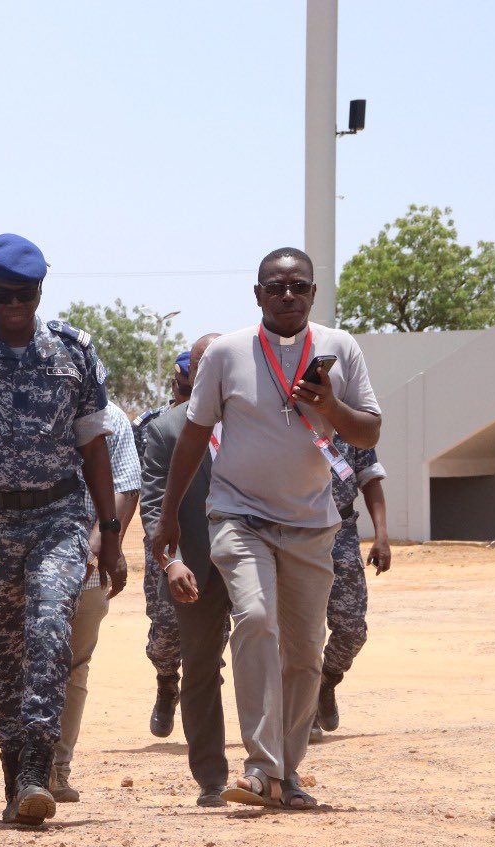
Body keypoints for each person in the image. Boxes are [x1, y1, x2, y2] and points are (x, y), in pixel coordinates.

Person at [153, 246, 381, 810]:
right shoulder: (227, 353)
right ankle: (258, 769)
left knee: (305, 652)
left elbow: (370, 431)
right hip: (240, 515)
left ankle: (287, 771)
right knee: (255, 618)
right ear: (257, 295)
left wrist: (330, 405)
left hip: (311, 523)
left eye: (297, 287)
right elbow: (191, 435)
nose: (287, 295)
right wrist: (167, 520)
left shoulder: (340, 348)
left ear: (312, 294)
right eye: (275, 287)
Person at [0, 233, 125, 827]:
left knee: (48, 627)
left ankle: (39, 764)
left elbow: (94, 448)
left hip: (58, 518)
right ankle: (15, 773)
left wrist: (109, 536)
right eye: (4, 295)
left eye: (26, 295)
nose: (15, 306)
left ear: (41, 291)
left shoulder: (73, 352)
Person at [140, 337, 232, 805]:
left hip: (258, 557)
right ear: (192, 372)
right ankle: (212, 779)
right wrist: (171, 561)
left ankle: (272, 763)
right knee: (200, 667)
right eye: (204, 363)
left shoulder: (255, 421)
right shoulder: (166, 430)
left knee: (269, 652)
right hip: (195, 566)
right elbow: (156, 504)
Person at [50, 399, 141, 802]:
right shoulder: (17, 398)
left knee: (73, 665)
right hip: (19, 557)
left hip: (87, 564)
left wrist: (101, 544)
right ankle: (26, 764)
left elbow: (126, 483)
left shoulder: (112, 419)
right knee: (25, 660)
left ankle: (55, 768)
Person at [135, 340, 213, 737]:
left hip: (227, 549)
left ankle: (204, 728)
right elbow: (145, 492)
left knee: (212, 645)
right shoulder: (158, 427)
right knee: (166, 636)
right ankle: (167, 684)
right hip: (171, 545)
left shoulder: (248, 419)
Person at [314, 435, 391, 739]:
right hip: (294, 534)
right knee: (297, 632)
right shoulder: (286, 420)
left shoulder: (350, 430)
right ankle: (303, 711)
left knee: (352, 629)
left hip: (342, 533)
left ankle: (326, 682)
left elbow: (370, 480)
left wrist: (381, 535)